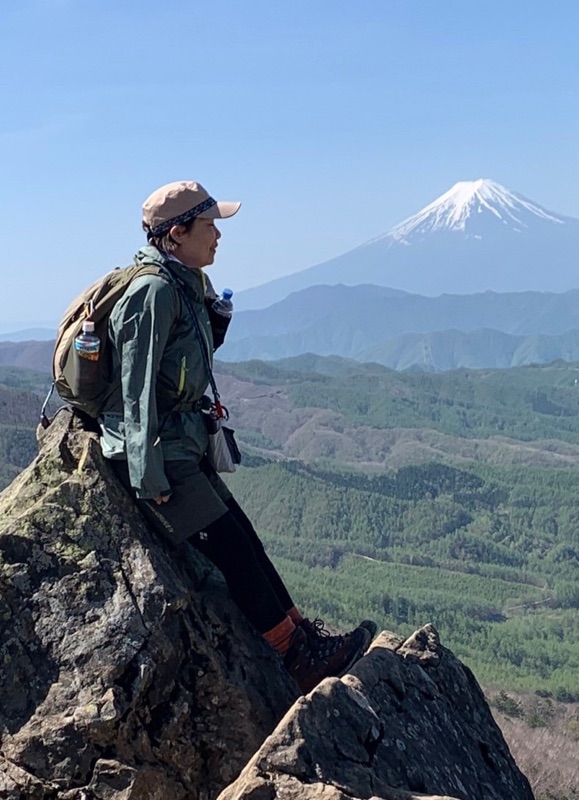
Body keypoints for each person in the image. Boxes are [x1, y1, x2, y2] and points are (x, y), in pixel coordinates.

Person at [99, 180, 375, 693]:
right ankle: (296, 658)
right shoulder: (152, 293)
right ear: (177, 234)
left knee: (246, 539)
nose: (218, 236)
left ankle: (304, 637)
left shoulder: (185, 282)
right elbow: (135, 390)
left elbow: (178, 366)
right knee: (232, 552)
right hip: (158, 453)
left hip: (182, 442)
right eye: (209, 226)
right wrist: (148, 475)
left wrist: (213, 328)